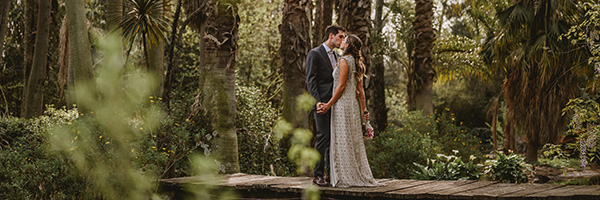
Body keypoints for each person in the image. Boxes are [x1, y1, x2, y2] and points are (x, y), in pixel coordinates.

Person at [317, 34, 380, 188]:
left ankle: (344, 175)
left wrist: (328, 104)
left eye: (344, 40)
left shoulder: (345, 61)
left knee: (342, 138)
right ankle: (350, 172)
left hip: (342, 105)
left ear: (348, 45)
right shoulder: (357, 63)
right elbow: (361, 91)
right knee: (350, 139)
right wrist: (364, 111)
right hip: (352, 105)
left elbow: (341, 86)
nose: (342, 41)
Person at [306, 25, 346, 187]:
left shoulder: (337, 57)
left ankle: (330, 174)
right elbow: (311, 80)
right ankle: (317, 175)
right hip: (321, 104)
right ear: (331, 35)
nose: (342, 40)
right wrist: (317, 102)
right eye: (340, 37)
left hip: (334, 104)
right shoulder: (314, 54)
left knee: (333, 138)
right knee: (323, 137)